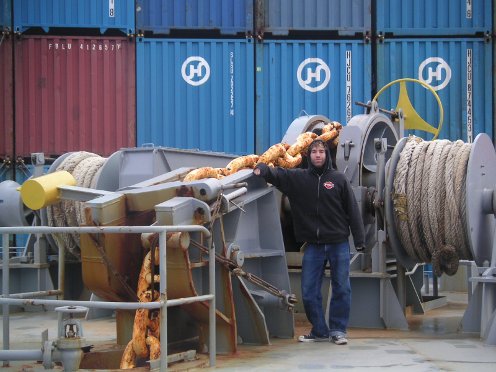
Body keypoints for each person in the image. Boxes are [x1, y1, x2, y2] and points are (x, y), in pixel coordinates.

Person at [253, 139, 365, 345]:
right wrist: (263, 170)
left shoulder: (338, 179)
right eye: (314, 152)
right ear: (308, 156)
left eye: (322, 151)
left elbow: (352, 210)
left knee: (342, 287)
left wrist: (359, 240)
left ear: (327, 155)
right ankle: (320, 331)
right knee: (308, 290)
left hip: (338, 243)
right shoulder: (300, 178)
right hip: (313, 245)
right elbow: (280, 176)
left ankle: (338, 330)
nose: (318, 155)